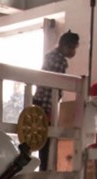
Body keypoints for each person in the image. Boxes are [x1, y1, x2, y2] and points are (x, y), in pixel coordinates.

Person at [32, 30, 78, 171]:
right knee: (47, 139)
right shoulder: (60, 61)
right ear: (64, 45)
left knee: (36, 137)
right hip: (46, 104)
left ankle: (39, 168)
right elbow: (56, 85)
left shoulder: (49, 55)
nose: (73, 51)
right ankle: (45, 170)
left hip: (38, 100)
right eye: (72, 47)